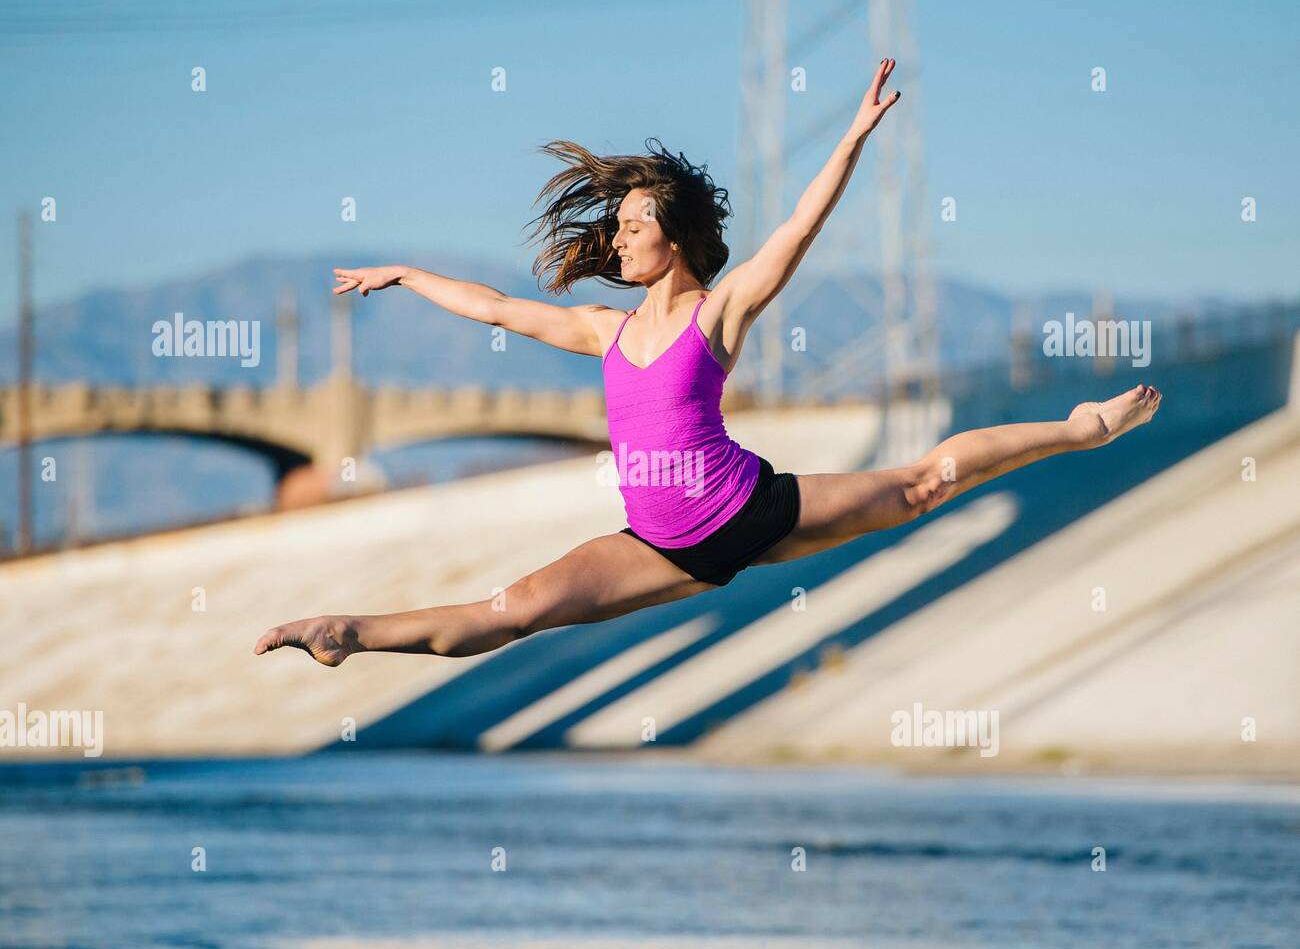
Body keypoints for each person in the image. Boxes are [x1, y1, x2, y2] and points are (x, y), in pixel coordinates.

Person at [254, 59, 1160, 667]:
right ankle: (348, 632)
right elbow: (497, 308)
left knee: (923, 485)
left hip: (752, 509)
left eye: (635, 223)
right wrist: (407, 274)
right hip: (658, 545)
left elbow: (798, 228)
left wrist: (850, 139)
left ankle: (1078, 430)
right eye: (618, 227)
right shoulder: (605, 334)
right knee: (514, 609)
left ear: (674, 237)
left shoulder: (717, 313)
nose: (619, 236)